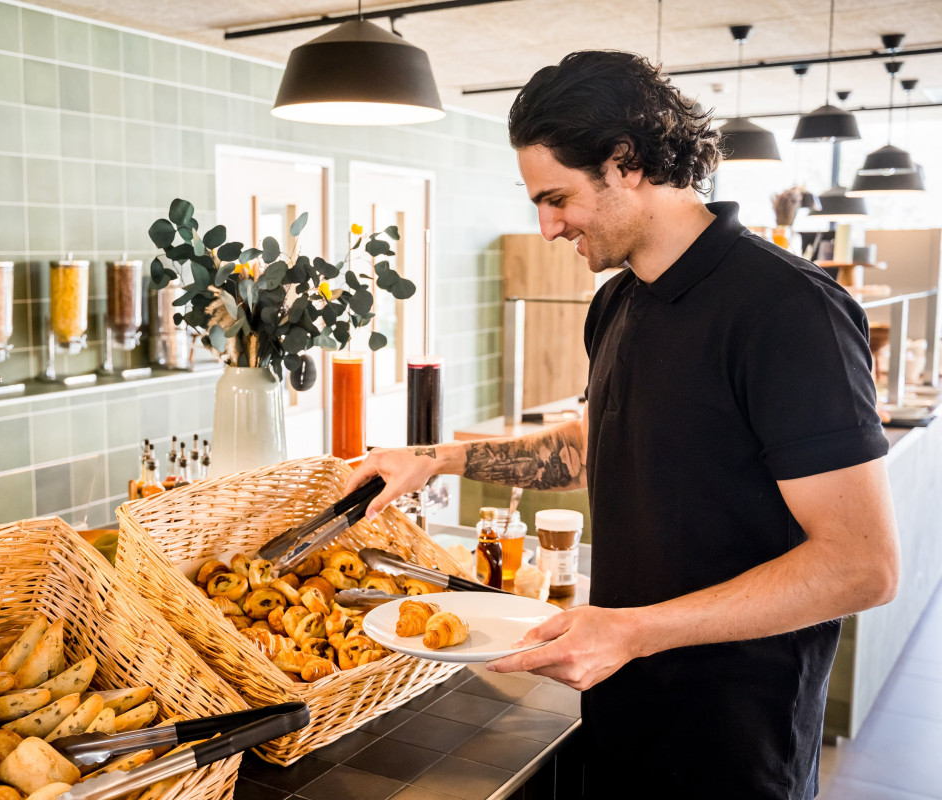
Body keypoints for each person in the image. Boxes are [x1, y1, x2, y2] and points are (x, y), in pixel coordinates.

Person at [345, 50, 899, 799]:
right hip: (616, 708)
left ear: (626, 162)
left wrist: (633, 630)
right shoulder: (618, 301)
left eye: (557, 198)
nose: (545, 227)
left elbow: (862, 566)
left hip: (732, 744)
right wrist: (433, 459)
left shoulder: (787, 312)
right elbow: (584, 451)